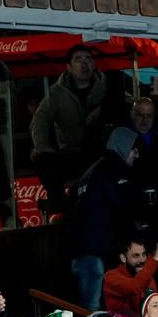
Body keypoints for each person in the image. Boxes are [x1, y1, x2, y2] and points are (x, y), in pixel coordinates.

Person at [30, 45, 125, 209]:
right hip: (71, 152)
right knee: (40, 159)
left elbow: (121, 114)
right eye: (78, 60)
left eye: (88, 59)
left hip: (101, 151)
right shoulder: (57, 93)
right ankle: (59, 202)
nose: (84, 64)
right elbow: (40, 120)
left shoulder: (108, 87)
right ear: (69, 67)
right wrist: (43, 146)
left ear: (94, 64)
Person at [66, 126, 143, 310]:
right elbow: (126, 206)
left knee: (91, 307)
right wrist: (154, 217)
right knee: (92, 310)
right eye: (134, 149)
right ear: (123, 147)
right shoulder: (114, 169)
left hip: (80, 251)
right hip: (95, 252)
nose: (136, 155)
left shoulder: (93, 169)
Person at [104, 238, 158, 317]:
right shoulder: (111, 276)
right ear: (123, 258)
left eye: (144, 254)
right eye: (136, 255)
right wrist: (156, 258)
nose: (142, 260)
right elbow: (135, 286)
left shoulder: (148, 279)